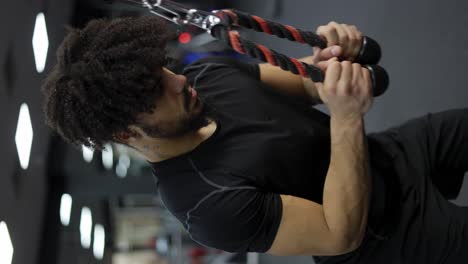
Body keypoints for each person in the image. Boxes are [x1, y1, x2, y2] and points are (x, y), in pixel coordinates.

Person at [42, 16, 468, 263]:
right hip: (387, 241)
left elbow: (304, 84)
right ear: (125, 133)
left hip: (391, 156)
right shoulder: (202, 205)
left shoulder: (201, 79)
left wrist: (330, 60)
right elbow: (340, 233)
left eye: (165, 70)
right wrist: (345, 116)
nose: (178, 81)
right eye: (157, 92)